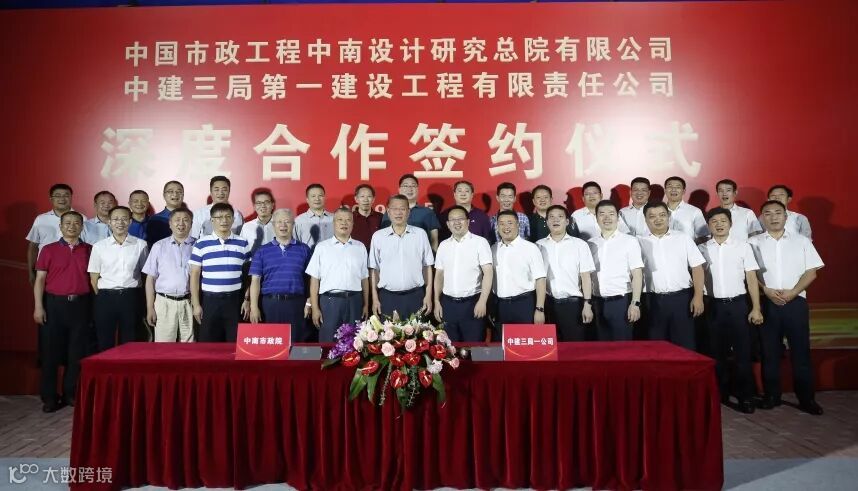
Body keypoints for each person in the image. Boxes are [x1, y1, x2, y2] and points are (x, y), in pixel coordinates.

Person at [751, 200, 824, 415]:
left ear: (786, 216)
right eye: (768, 213)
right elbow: (749, 273)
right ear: (762, 218)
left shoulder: (801, 241)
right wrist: (765, 290)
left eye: (778, 213)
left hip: (796, 303)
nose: (773, 217)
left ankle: (806, 399)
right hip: (767, 302)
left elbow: (812, 272)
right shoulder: (752, 243)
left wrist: (793, 292)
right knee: (769, 352)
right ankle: (772, 396)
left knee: (800, 352)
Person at [698, 207, 763, 414]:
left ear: (730, 224)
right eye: (714, 221)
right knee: (715, 352)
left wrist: (756, 308)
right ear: (709, 225)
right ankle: (720, 393)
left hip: (738, 305)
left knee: (743, 353)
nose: (719, 224)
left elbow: (751, 279)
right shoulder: (701, 249)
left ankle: (746, 397)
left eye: (723, 221)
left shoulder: (743, 247)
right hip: (712, 305)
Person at [32, 211, 91, 412]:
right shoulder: (48, 250)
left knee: (76, 352)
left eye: (76, 223)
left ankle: (70, 393)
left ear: (82, 227)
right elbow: (40, 280)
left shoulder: (89, 250)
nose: (72, 226)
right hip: (54, 305)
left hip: (81, 305)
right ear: (61, 226)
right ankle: (49, 397)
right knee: (50, 353)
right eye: (67, 223)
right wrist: (38, 306)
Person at [638, 202, 706, 349]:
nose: (658, 219)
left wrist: (698, 296)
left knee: (685, 345)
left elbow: (697, 268)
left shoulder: (683, 238)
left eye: (662, 215)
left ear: (668, 216)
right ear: (645, 219)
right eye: (652, 216)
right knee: (656, 347)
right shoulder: (639, 242)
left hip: (682, 299)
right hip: (652, 301)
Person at [87, 206, 149, 351]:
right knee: (104, 339)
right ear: (109, 222)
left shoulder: (141, 245)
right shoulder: (99, 246)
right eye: (115, 219)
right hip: (105, 298)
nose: (120, 222)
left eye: (124, 219)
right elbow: (94, 278)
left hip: (131, 296)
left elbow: (145, 274)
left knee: (130, 339)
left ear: (130, 221)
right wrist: (103, 296)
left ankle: (128, 366)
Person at [189, 202, 251, 342]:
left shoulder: (242, 243)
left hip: (234, 301)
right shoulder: (201, 243)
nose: (224, 220)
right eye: (219, 217)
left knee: (234, 343)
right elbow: (195, 275)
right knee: (208, 345)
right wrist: (196, 304)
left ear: (233, 220)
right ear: (212, 220)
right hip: (209, 301)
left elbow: (248, 275)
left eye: (228, 217)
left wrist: (247, 300)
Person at [248, 208, 313, 342]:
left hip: (297, 304)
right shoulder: (262, 251)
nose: (283, 225)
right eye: (279, 222)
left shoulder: (304, 249)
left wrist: (309, 302)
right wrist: (253, 307)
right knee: (273, 343)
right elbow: (255, 281)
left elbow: (310, 279)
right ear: (273, 225)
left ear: (293, 225)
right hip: (271, 304)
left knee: (296, 343)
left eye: (287, 222)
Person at [306, 208, 370, 342]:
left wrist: (365, 304)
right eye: (340, 219)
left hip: (354, 301)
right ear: (334, 223)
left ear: (353, 224)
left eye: (348, 220)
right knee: (328, 341)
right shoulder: (322, 247)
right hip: (330, 302)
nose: (344, 223)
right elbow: (314, 280)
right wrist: (315, 308)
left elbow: (364, 279)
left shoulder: (360, 247)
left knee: (355, 342)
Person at [434, 206, 493, 342]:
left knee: (474, 347)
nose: (457, 222)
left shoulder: (480, 242)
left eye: (460, 218)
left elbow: (488, 273)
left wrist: (482, 301)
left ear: (468, 221)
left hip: (472, 304)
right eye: (452, 220)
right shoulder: (443, 245)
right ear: (448, 224)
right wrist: (437, 301)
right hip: (448, 305)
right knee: (449, 348)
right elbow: (439, 276)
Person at [369, 194, 434, 319]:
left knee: (418, 332)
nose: (398, 212)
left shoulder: (420, 234)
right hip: (387, 298)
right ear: (388, 212)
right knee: (387, 332)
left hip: (416, 296)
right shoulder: (378, 236)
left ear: (408, 212)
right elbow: (374, 269)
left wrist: (428, 295)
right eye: (394, 208)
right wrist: (375, 298)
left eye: (402, 209)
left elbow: (427, 266)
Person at [536, 205, 595, 341]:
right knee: (549, 347)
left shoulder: (580, 245)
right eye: (551, 217)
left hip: (573, 305)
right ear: (546, 222)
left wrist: (587, 304)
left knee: (574, 347)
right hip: (547, 304)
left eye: (560, 217)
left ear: (567, 221)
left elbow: (586, 277)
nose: (555, 220)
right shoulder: (538, 246)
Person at [588, 200, 643, 341]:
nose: (607, 218)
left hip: (621, 302)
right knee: (601, 347)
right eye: (602, 214)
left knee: (622, 347)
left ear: (618, 217)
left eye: (611, 214)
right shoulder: (590, 243)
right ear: (596, 217)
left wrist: (635, 303)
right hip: (597, 302)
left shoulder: (629, 241)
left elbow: (637, 274)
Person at [142, 207, 196, 342]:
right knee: (164, 346)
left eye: (186, 220)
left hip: (189, 302)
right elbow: (150, 279)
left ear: (191, 224)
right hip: (164, 302)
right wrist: (150, 307)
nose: (181, 223)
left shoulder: (198, 246)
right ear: (170, 224)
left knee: (190, 347)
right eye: (177, 220)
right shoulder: (159, 246)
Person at [491, 210, 547, 340]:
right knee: (501, 346)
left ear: (518, 225)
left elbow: (540, 279)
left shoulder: (530, 248)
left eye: (510, 223)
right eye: (502, 223)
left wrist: (540, 309)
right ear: (497, 227)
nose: (506, 227)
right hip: (500, 306)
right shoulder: (493, 249)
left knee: (525, 343)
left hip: (524, 304)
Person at [26, 184, 84, 285]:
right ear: (51, 199)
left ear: (71, 197)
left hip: (73, 272)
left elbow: (86, 247)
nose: (62, 199)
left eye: (66, 195)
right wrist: (31, 272)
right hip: (44, 272)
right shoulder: (41, 219)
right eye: (57, 195)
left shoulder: (82, 219)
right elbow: (33, 247)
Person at [380, 174, 441, 252]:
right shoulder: (390, 212)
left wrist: (433, 257)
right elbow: (384, 236)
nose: (409, 189)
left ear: (417, 189)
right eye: (405, 186)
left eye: (413, 186)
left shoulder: (427, 212)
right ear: (399, 189)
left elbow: (434, 239)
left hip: (420, 256)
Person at [664, 176, 708, 241]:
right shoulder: (657, 211)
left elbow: (704, 236)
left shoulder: (695, 211)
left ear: (684, 191)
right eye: (670, 187)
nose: (673, 190)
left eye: (678, 187)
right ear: (665, 190)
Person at [293, 183, 334, 248]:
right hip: (308, 254)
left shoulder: (334, 219)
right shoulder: (299, 220)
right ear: (307, 199)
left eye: (320, 195)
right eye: (313, 196)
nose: (317, 199)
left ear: (324, 198)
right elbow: (294, 244)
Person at [147, 181, 185, 246]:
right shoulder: (155, 220)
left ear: (183, 195)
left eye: (179, 192)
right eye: (170, 191)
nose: (175, 194)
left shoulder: (191, 219)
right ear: (164, 195)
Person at [240, 190, 276, 256]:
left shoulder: (281, 225)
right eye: (259, 203)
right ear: (254, 206)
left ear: (272, 205)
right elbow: (242, 251)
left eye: (266, 202)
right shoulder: (247, 227)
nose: (263, 206)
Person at [350, 184, 383, 251]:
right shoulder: (350, 218)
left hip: (376, 255)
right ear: (356, 199)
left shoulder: (381, 217)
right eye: (362, 196)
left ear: (373, 199)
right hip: (355, 254)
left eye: (369, 196)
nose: (366, 200)